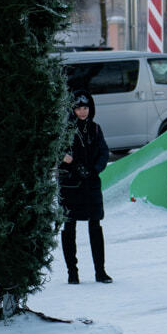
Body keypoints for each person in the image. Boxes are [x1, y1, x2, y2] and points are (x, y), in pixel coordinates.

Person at [58, 91, 112, 284]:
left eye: (86, 108)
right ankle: (72, 272)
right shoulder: (65, 130)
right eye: (79, 108)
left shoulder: (95, 129)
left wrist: (95, 169)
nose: (82, 112)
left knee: (95, 226)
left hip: (91, 183)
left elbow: (104, 152)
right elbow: (54, 153)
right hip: (70, 185)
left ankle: (100, 270)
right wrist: (67, 161)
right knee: (69, 226)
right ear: (72, 110)